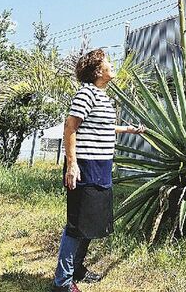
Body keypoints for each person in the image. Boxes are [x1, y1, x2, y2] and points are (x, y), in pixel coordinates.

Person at [52, 48, 144, 292]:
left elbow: (101, 127)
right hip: (85, 166)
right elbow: (70, 127)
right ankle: (62, 282)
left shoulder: (101, 96)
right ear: (97, 71)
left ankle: (78, 269)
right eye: (107, 63)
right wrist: (71, 165)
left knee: (91, 222)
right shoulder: (86, 94)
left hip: (102, 166)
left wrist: (128, 130)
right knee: (76, 223)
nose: (111, 65)